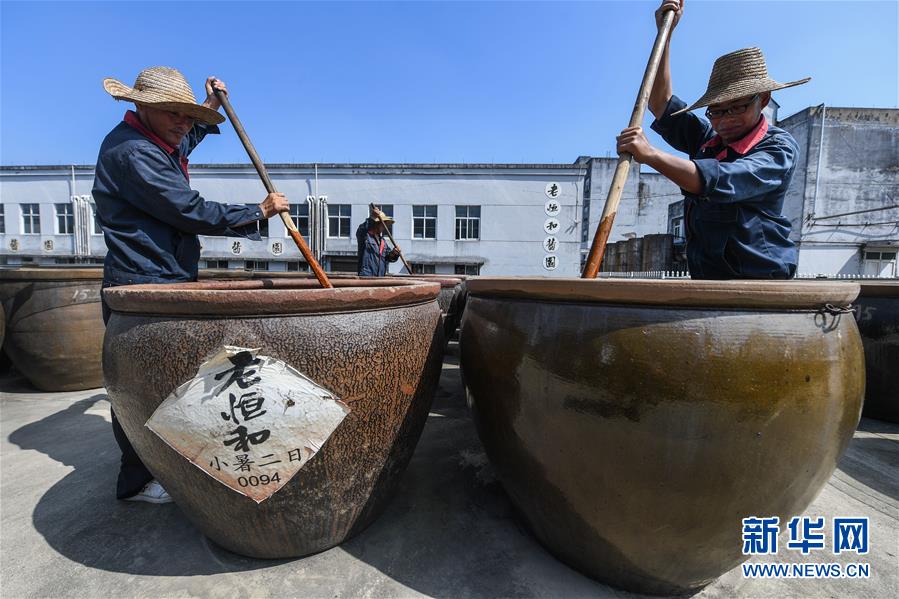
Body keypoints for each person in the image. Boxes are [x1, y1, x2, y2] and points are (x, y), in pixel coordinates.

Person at [93, 66, 289, 503]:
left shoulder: (159, 139)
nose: (184, 124)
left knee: (167, 378)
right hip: (141, 278)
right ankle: (138, 479)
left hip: (166, 271)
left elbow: (187, 136)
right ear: (142, 106)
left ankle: (171, 460)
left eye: (187, 115)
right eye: (174, 114)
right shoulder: (133, 154)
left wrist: (209, 108)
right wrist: (256, 212)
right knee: (140, 383)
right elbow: (187, 208)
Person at [615, 0, 810, 279]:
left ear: (763, 100)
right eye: (716, 111)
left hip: (759, 280)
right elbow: (660, 103)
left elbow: (719, 178)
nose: (725, 120)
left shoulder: (777, 148)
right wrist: (665, 34)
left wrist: (652, 156)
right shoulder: (709, 142)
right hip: (708, 276)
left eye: (737, 108)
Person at [356, 206, 401, 276]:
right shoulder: (365, 236)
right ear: (376, 224)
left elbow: (388, 257)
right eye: (383, 224)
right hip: (366, 277)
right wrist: (371, 218)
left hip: (379, 277)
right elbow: (362, 229)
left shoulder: (382, 241)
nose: (384, 226)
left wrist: (394, 253)